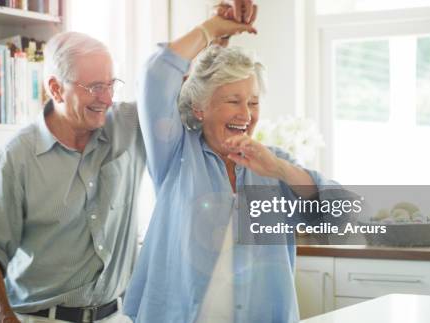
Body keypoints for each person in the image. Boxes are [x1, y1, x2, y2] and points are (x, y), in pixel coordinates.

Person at [122, 12, 337, 323]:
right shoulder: (176, 154)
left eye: (253, 102)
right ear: (201, 108)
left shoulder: (274, 164)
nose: (246, 114)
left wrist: (278, 169)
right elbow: (156, 75)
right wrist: (211, 29)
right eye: (233, 101)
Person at [0, 32, 145, 323]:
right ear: (56, 89)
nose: (108, 99)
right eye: (96, 87)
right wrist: (2, 318)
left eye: (111, 85)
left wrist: (215, 31)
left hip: (115, 316)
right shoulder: (17, 156)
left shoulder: (128, 126)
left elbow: (173, 84)